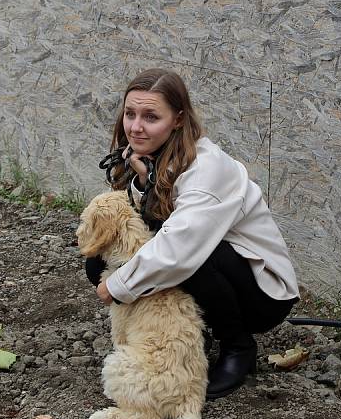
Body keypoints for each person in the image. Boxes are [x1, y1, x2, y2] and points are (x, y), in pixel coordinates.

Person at [85, 68, 299, 399]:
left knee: (195, 258)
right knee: (100, 261)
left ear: (178, 119)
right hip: (210, 265)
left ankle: (238, 347)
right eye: (130, 114)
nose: (136, 126)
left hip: (262, 294)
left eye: (151, 116)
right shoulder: (155, 155)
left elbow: (180, 247)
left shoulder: (208, 168)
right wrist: (143, 181)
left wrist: (120, 285)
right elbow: (154, 224)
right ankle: (185, 335)